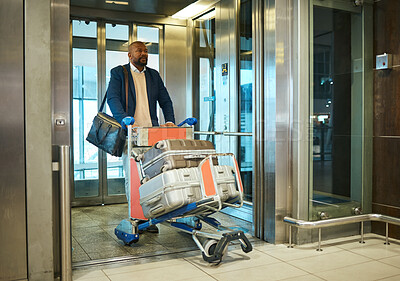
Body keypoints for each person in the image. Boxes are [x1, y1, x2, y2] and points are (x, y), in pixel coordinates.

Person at [107, 41, 176, 233]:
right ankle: (136, 217)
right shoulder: (119, 73)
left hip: (152, 134)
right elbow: (113, 99)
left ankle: (150, 216)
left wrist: (170, 120)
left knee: (151, 175)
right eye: (139, 50)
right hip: (131, 134)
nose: (144, 53)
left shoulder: (153, 75)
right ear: (130, 55)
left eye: (145, 50)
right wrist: (125, 121)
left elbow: (165, 100)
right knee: (133, 176)